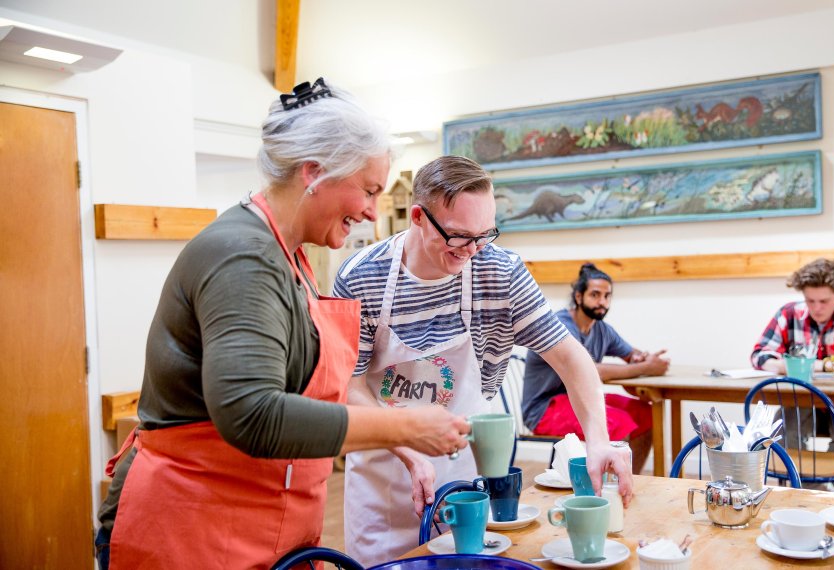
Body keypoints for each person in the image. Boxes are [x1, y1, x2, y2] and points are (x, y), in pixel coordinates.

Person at [94, 79, 470, 570]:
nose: (373, 212)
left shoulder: (290, 256)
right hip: (192, 529)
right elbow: (252, 413)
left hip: (256, 525)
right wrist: (404, 426)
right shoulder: (244, 257)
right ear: (313, 173)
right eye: (370, 191)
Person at [333, 155, 633, 566]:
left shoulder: (500, 272)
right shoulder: (361, 277)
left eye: (484, 234)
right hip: (386, 472)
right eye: (458, 237)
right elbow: (348, 384)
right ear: (418, 217)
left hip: (464, 474)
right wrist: (406, 448)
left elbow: (571, 359)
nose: (472, 251)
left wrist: (598, 440)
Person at [521, 263, 668, 473]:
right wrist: (646, 367)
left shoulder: (601, 329)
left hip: (579, 399)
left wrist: (643, 358)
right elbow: (589, 371)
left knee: (645, 413)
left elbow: (631, 355)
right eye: (595, 295)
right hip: (544, 408)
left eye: (607, 296)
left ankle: (629, 480)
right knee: (619, 422)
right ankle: (610, 491)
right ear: (579, 297)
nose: (602, 302)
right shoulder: (559, 325)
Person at [751, 257, 834, 455]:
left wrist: (819, 364)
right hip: (800, 400)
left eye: (824, 301)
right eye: (810, 301)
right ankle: (804, 485)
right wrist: (817, 366)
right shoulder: (789, 315)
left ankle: (832, 480)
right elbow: (759, 355)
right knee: (780, 429)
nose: (817, 308)